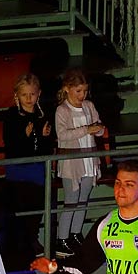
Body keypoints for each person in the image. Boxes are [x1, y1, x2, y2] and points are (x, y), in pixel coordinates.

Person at [52, 67, 106, 254]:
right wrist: (86, 129)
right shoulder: (62, 110)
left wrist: (98, 129)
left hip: (88, 159)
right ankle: (62, 238)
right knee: (71, 201)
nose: (82, 95)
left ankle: (75, 233)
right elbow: (62, 135)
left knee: (83, 200)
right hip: (72, 162)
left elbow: (98, 127)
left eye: (84, 91)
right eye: (78, 91)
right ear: (67, 89)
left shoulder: (89, 106)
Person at [0, 72, 52, 262]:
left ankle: (32, 238)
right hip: (18, 170)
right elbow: (11, 145)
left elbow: (45, 148)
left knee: (37, 208)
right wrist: (25, 136)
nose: (29, 99)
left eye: (32, 94)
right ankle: (20, 244)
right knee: (19, 209)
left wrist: (45, 137)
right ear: (17, 96)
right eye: (25, 95)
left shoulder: (42, 114)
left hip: (37, 169)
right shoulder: (12, 116)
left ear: (38, 94)